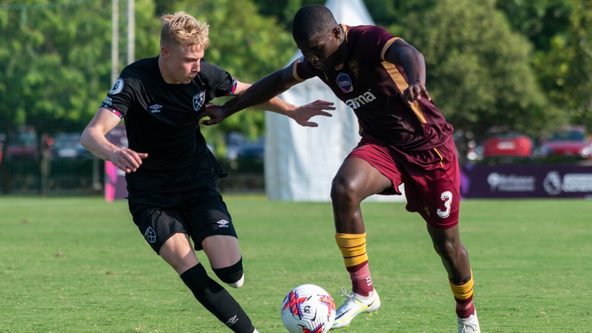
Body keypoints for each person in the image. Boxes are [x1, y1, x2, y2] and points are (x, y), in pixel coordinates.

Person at [203, 4, 480, 333]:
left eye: (317, 50)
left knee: (447, 245)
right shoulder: (320, 61)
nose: (315, 60)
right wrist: (227, 110)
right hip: (383, 146)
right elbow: (277, 81)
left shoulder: (368, 40)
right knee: (344, 188)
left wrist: (417, 81)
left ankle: (467, 316)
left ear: (337, 33)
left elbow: (409, 53)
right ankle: (364, 291)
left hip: (429, 148)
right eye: (308, 53)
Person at [80, 11, 332, 333]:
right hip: (152, 197)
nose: (196, 66)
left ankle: (217, 251)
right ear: (166, 52)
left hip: (197, 183)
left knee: (231, 273)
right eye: (189, 59)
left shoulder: (204, 76)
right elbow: (91, 134)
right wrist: (114, 152)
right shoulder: (134, 80)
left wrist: (292, 111)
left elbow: (248, 91)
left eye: (200, 58)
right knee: (192, 271)